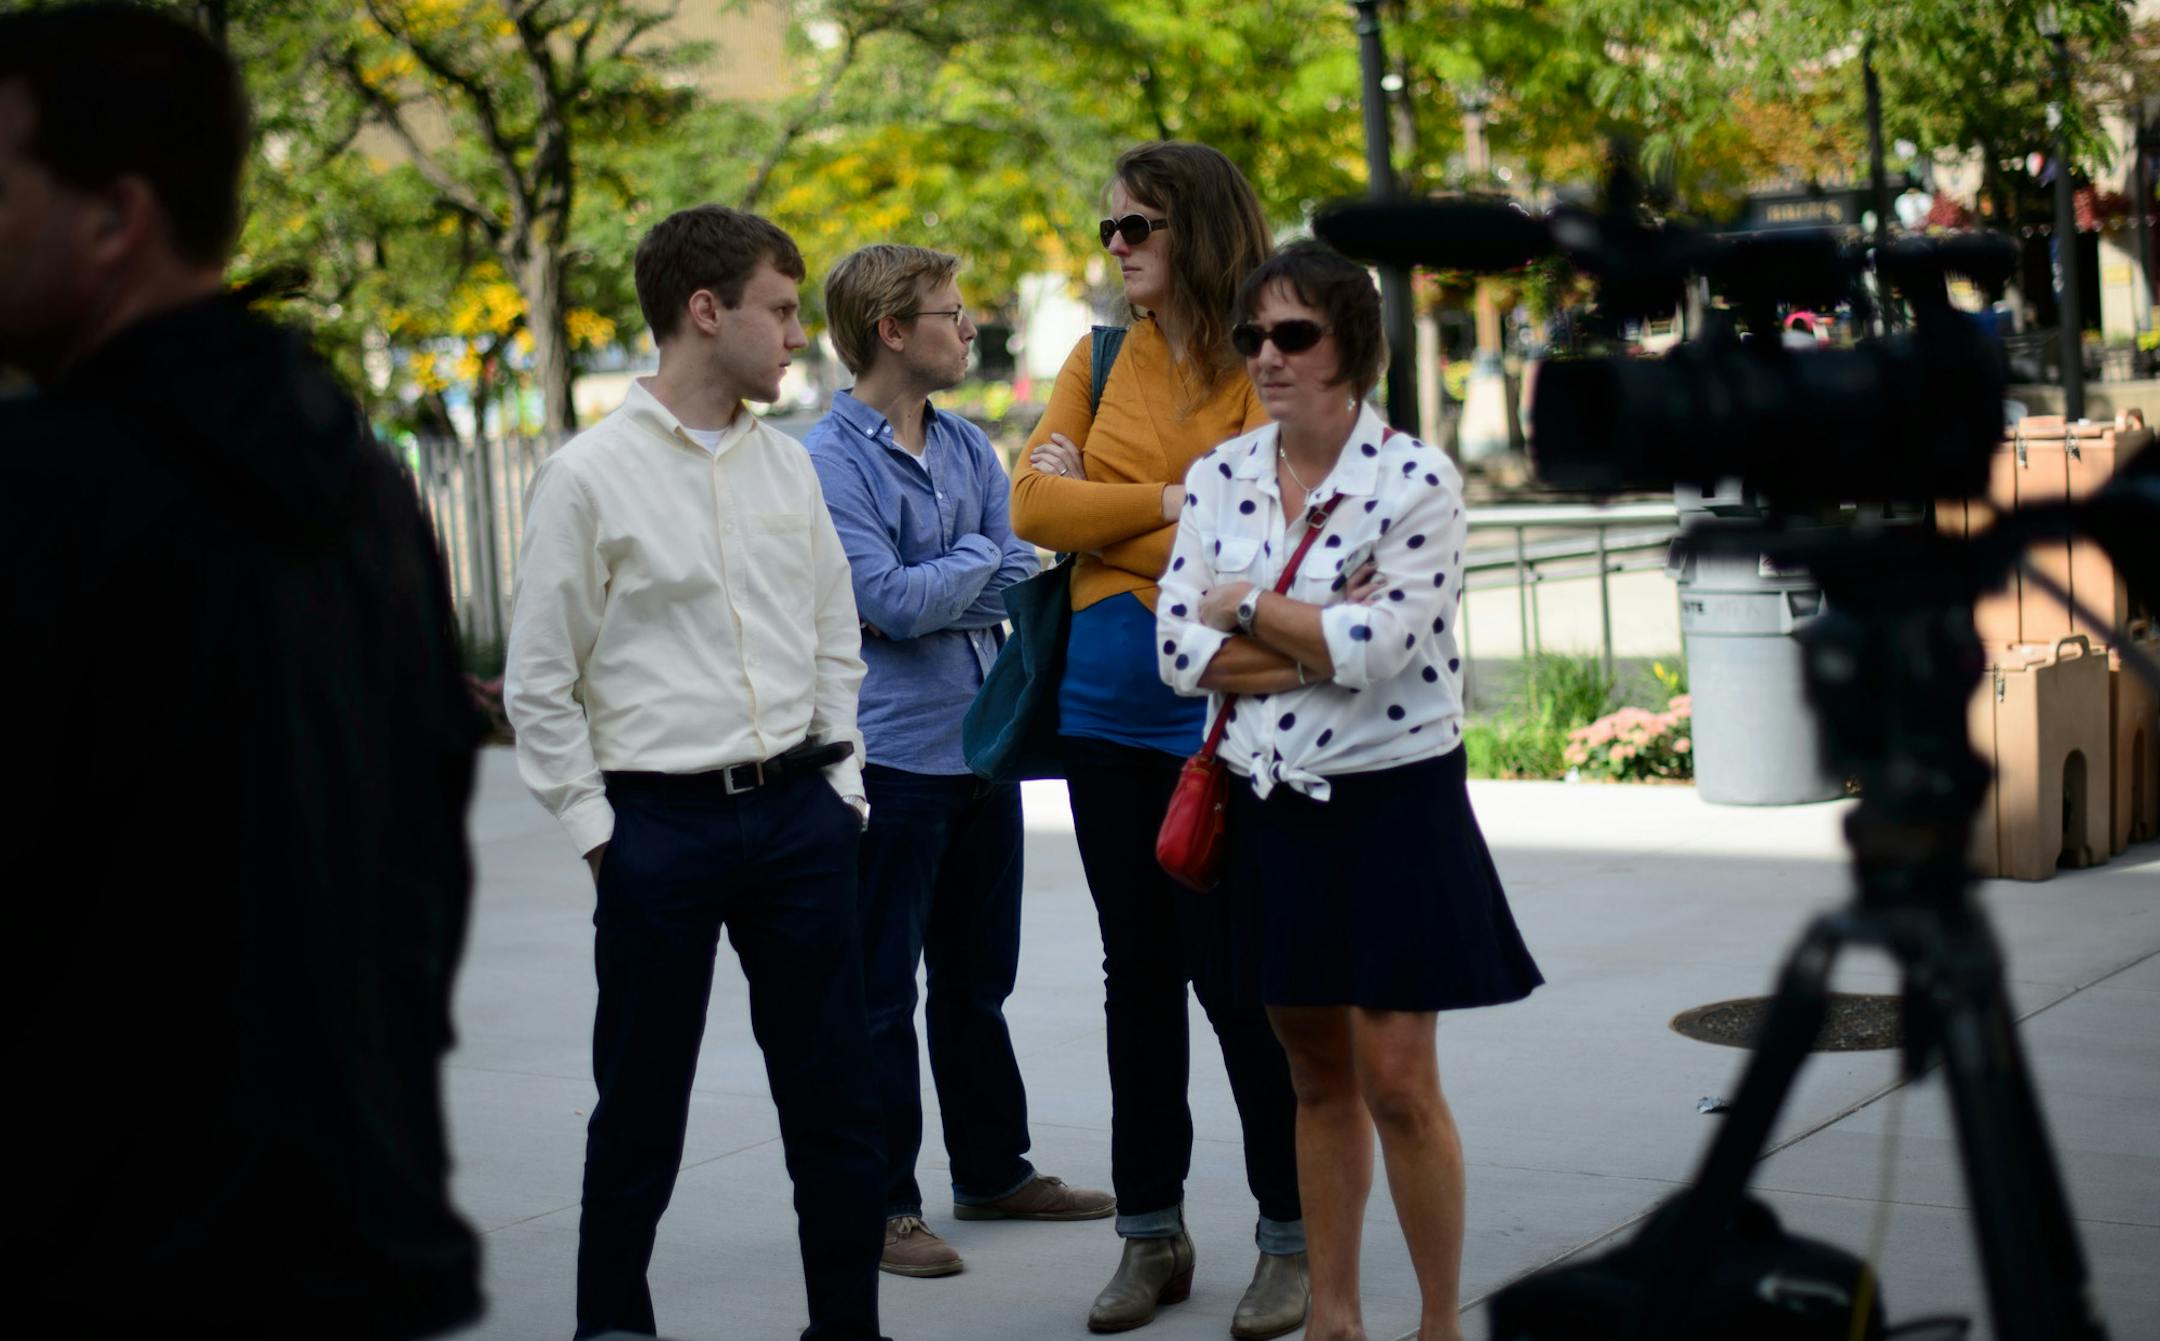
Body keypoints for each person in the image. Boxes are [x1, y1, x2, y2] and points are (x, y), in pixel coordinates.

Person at [0, 5, 480, 1334]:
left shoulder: (51, 493)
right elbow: (420, 866)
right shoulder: (355, 481)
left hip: (104, 1250)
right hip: (348, 1226)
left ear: (115, 215)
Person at [504, 204, 887, 1341]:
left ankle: (848, 1328)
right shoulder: (588, 477)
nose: (793, 336)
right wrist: (599, 833)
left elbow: (833, 637)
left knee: (838, 1107)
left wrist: (841, 791)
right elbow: (540, 681)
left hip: (799, 822)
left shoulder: (790, 469)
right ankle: (612, 1327)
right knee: (640, 1112)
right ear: (705, 311)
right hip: (657, 831)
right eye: (777, 310)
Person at [1156, 241, 1545, 1341]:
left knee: (1398, 1078)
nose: (1268, 358)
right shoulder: (1221, 475)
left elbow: (1379, 648)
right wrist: (1297, 631)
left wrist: (1241, 609)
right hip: (1267, 801)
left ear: (1353, 350)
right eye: (1253, 338)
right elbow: (1176, 656)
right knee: (1312, 1073)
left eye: (1294, 336)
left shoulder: (1415, 480)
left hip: (1391, 803)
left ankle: (1436, 1323)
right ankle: (1333, 1318)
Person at [1011, 141, 1307, 1339]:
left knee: (1241, 986)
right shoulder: (1096, 356)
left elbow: (1258, 541)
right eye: (1110, 231)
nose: (1118, 248)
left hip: (1226, 724)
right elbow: (1032, 506)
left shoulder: (1264, 361)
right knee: (1135, 980)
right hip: (1101, 722)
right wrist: (1174, 504)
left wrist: (1111, 524)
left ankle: (1289, 1239)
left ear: (1197, 228)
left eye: (1137, 226)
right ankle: (1152, 1234)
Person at [804, 243, 1114, 1279]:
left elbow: (1018, 578)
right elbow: (884, 601)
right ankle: (882, 1206)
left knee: (978, 984)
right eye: (949, 311)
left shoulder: (971, 445)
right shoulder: (827, 461)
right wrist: (981, 562)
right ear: (893, 331)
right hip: (886, 763)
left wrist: (963, 572)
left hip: (983, 747)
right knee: (880, 995)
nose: (968, 325)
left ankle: (990, 1172)